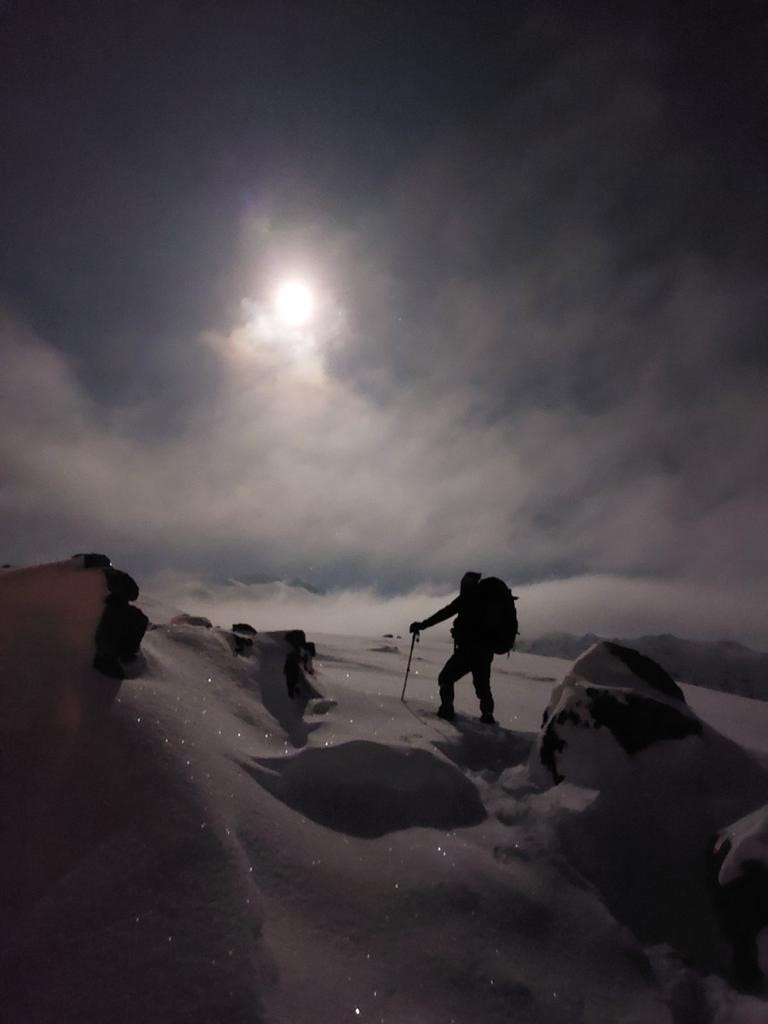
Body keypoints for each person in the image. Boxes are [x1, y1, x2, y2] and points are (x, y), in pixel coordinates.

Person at [410, 571, 496, 724]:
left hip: (467, 651)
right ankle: (487, 717)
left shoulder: (466, 598)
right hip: (485, 652)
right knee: (482, 685)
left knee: (446, 677)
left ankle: (447, 710)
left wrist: (422, 625)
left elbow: (444, 614)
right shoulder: (487, 600)